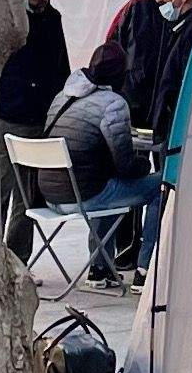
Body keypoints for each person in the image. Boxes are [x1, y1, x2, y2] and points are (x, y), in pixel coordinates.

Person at [43, 76, 161, 283]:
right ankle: (144, 271)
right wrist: (144, 165)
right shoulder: (113, 103)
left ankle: (99, 269)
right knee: (161, 185)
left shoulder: (60, 98)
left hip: (50, 198)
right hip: (82, 198)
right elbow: (125, 164)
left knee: (108, 185)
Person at [84, 0, 192, 154]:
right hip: (135, 108)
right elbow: (110, 52)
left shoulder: (190, 20)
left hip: (163, 114)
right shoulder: (135, 8)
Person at [0, 0, 71, 254]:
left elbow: (61, 68)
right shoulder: (6, 15)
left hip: (38, 121)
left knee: (27, 200)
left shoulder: (53, 20)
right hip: (5, 119)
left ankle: (17, 261)